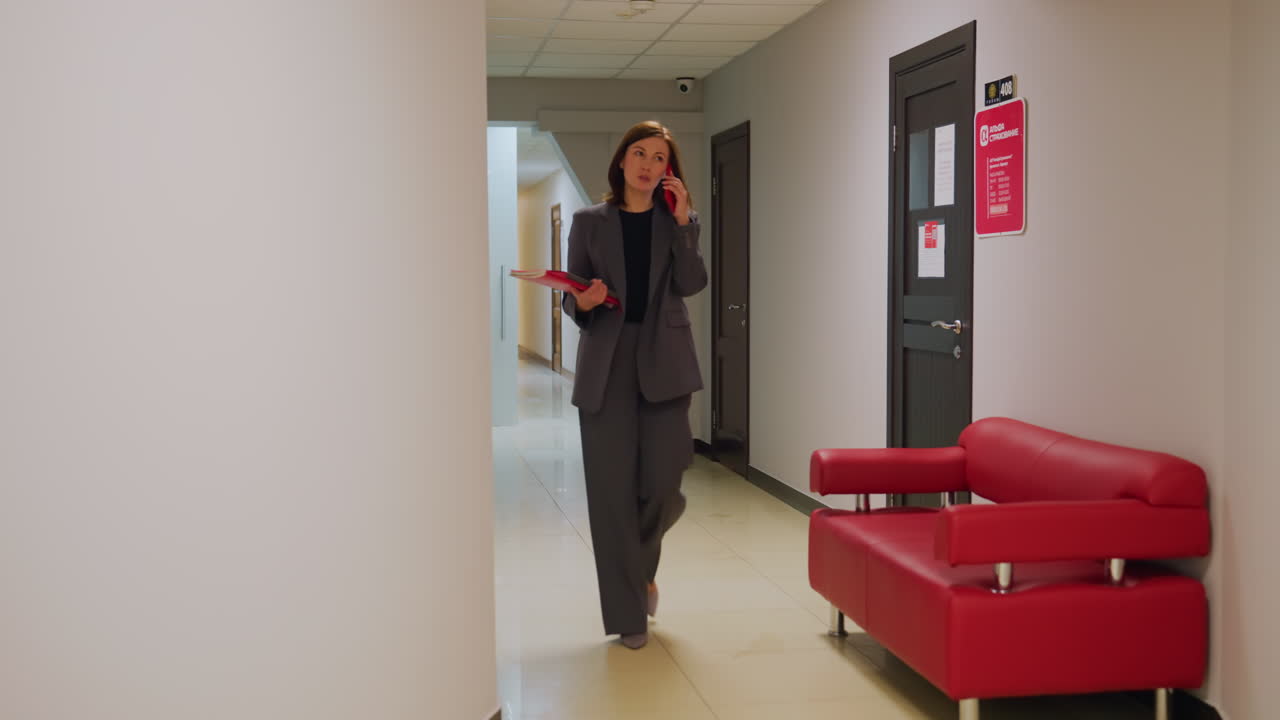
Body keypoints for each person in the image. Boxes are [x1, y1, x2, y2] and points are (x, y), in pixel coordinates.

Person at [563, 121, 707, 650]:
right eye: (639, 153)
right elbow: (573, 292)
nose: (648, 165)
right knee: (611, 496)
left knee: (664, 484)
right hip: (608, 363)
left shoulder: (678, 223)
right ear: (622, 161)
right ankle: (629, 616)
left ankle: (640, 571)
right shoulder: (589, 222)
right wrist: (582, 301)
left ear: (669, 171)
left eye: (659, 158)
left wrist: (685, 221)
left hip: (666, 362)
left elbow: (691, 283)